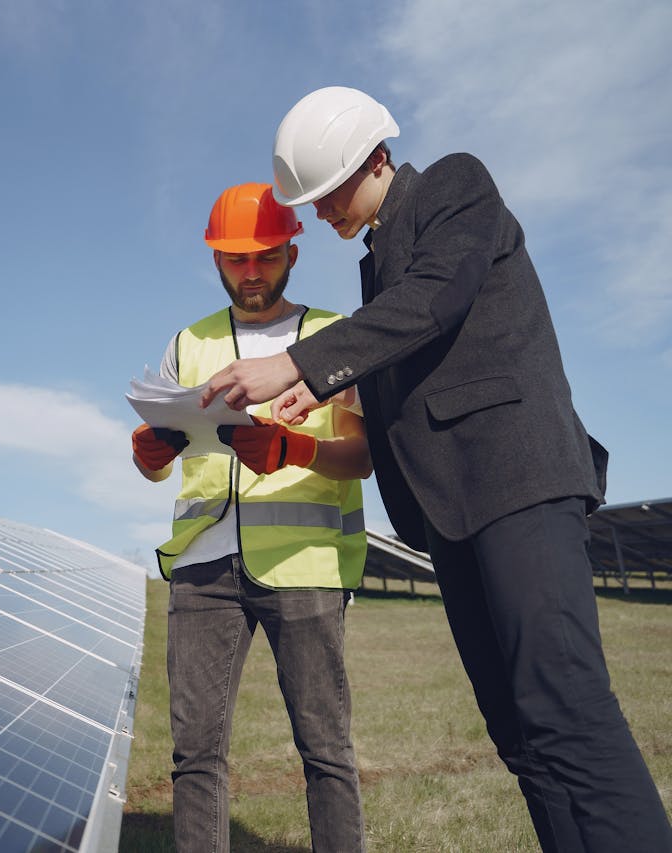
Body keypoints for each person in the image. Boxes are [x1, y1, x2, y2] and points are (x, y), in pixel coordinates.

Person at [200, 86, 672, 851]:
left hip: (518, 481)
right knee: (522, 739)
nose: (320, 213)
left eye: (329, 192)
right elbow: (411, 352)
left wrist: (298, 362)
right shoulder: (379, 264)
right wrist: (329, 392)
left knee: (567, 712)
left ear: (377, 158)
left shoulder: (457, 185)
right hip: (450, 510)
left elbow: (432, 302)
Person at [132, 182, 373, 853]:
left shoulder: (334, 336)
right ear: (215, 259)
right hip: (203, 569)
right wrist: (147, 453)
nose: (250, 272)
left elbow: (363, 456)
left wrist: (295, 446)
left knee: (325, 749)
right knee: (195, 754)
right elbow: (163, 465)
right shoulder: (191, 341)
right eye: (234, 259)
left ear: (292, 252)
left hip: (305, 565)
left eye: (264, 256)